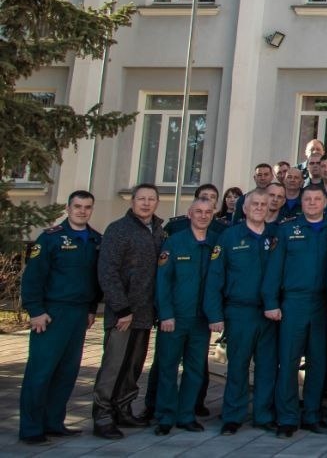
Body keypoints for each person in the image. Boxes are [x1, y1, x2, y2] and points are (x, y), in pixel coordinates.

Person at [19, 191, 101, 446]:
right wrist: (35, 311)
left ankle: (54, 422)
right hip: (51, 313)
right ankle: (31, 427)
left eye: (87, 207)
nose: (82, 211)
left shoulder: (96, 239)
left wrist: (91, 308)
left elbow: (95, 280)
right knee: (41, 372)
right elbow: (33, 277)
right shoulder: (51, 239)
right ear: (68, 207)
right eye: (77, 206)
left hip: (78, 314)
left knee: (67, 372)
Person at [93, 183, 165, 439]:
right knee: (113, 366)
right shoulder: (118, 230)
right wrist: (121, 308)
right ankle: (102, 416)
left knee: (133, 366)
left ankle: (123, 409)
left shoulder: (158, 231)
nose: (146, 203)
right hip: (122, 313)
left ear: (157, 202)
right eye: (141, 199)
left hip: (145, 313)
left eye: (151, 199)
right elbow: (107, 271)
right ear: (132, 201)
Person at [205, 188, 277, 435]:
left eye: (263, 204)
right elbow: (215, 277)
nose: (259, 207)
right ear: (244, 209)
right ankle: (233, 415)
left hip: (269, 315)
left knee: (267, 367)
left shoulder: (276, 237)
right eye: (254, 203)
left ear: (269, 209)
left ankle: (263, 415)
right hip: (239, 311)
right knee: (237, 365)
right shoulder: (229, 237)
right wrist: (215, 315)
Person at [262, 185, 327, 437]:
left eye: (317, 199)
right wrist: (271, 302)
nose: (312, 203)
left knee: (318, 362)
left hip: (322, 304)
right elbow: (274, 269)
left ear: (325, 203)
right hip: (294, 303)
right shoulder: (287, 230)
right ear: (301, 203)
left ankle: (311, 414)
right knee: (289, 360)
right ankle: (288, 417)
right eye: (308, 199)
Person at [152, 196, 216, 436]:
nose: (202, 215)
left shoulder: (215, 244)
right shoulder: (175, 243)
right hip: (175, 318)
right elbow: (163, 282)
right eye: (198, 211)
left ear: (212, 214)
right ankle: (165, 416)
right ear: (190, 214)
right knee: (167, 368)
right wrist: (165, 314)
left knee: (195, 369)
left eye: (207, 212)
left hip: (201, 320)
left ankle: (187, 415)